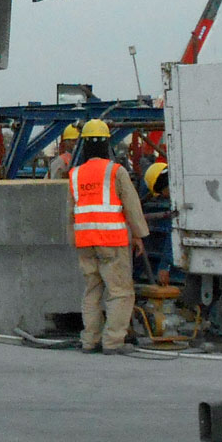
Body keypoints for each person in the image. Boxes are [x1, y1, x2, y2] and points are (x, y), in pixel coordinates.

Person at [69, 119, 149, 355]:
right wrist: (139, 235)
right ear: (106, 144)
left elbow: (69, 213)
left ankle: (89, 340)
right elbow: (132, 206)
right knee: (120, 292)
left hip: (85, 242)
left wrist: (73, 239)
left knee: (92, 291)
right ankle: (113, 342)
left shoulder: (75, 174)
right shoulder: (116, 171)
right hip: (112, 241)